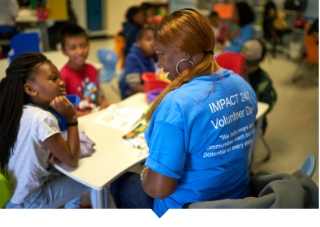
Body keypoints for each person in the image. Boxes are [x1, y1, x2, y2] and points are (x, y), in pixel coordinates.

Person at [110, 8, 258, 218]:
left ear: (185, 52)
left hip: (186, 212)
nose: (160, 65)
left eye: (161, 55)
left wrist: (145, 171)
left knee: (116, 182)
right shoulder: (242, 87)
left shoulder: (176, 104)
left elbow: (158, 190)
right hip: (237, 203)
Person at [0, 52, 91, 208]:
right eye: (53, 79)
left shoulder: (15, 111)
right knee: (88, 179)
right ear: (30, 89)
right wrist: (71, 118)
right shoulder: (42, 117)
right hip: (30, 201)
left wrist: (49, 151)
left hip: (9, 198)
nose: (62, 83)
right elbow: (71, 159)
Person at [59, 24, 109, 116]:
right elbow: (65, 111)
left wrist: (102, 102)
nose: (80, 52)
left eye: (83, 46)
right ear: (64, 51)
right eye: (73, 48)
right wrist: (88, 114)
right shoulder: (63, 76)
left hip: (94, 115)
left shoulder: (93, 69)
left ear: (89, 46)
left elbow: (94, 95)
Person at [241, 39, 277, 134]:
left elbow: (266, 105)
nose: (246, 66)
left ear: (262, 60)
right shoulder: (237, 69)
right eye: (244, 61)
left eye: (250, 64)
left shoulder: (264, 81)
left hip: (250, 120)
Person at [119, 27, 156, 99]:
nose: (152, 43)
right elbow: (134, 87)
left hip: (148, 93)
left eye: (155, 40)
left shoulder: (154, 56)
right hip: (132, 96)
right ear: (139, 43)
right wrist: (157, 91)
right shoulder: (132, 58)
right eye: (148, 40)